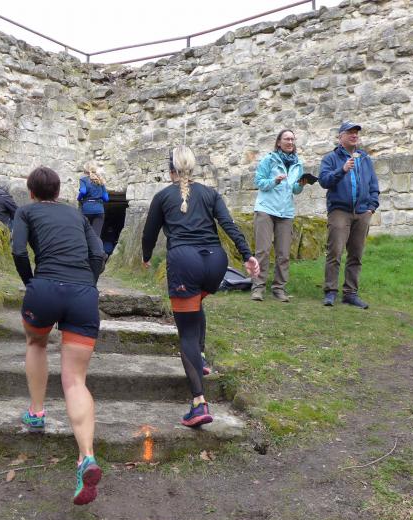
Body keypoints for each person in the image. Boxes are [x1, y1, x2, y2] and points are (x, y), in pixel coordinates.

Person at [141, 146, 260, 427]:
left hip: (185, 262)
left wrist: (146, 257)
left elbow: (149, 233)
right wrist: (247, 255)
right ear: (193, 168)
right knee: (195, 304)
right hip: (215, 262)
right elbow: (228, 225)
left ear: (170, 170)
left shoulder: (162, 196)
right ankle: (202, 357)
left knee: (186, 334)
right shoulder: (210, 194)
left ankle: (199, 403)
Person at [11, 166, 106, 505]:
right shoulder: (76, 214)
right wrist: (88, 282)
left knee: (36, 342)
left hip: (45, 288)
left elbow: (19, 251)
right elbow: (98, 253)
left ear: (31, 192)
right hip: (83, 294)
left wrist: (30, 282)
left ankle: (37, 412)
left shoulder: (25, 212)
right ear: (58, 191)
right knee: (75, 380)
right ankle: (86, 457)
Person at [318, 121, 380, 309]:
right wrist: (342, 170)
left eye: (356, 133)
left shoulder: (365, 158)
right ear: (341, 137)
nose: (354, 135)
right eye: (350, 132)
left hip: (362, 212)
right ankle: (330, 291)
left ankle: (350, 294)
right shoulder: (330, 158)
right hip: (340, 211)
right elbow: (324, 181)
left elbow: (373, 185)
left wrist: (372, 207)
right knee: (335, 252)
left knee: (356, 254)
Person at [251, 129, 311, 302]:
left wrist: (301, 185)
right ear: (279, 142)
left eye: (292, 139)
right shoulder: (269, 160)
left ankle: (279, 289)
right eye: (287, 139)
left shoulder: (297, 164)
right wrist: (274, 181)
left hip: (286, 211)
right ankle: (258, 288)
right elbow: (259, 182)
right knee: (263, 251)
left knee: (283, 253)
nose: (290, 142)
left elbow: (295, 190)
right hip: (266, 209)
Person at [77, 161, 109, 237]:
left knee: (85, 235)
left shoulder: (83, 180)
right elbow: (106, 198)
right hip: (99, 210)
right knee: (96, 236)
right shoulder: (100, 181)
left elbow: (83, 191)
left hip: (87, 210)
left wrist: (79, 198)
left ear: (85, 170)